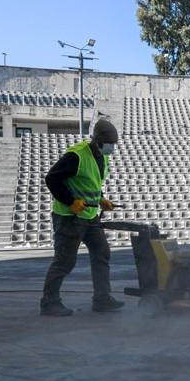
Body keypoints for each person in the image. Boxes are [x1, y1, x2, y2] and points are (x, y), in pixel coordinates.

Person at [40, 118, 123, 316]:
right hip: (69, 217)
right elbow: (51, 179)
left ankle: (102, 299)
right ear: (98, 141)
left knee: (101, 253)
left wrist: (102, 199)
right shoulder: (76, 156)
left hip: (90, 216)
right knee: (64, 261)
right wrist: (71, 201)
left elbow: (90, 182)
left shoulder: (103, 156)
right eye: (109, 144)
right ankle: (49, 302)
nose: (112, 148)